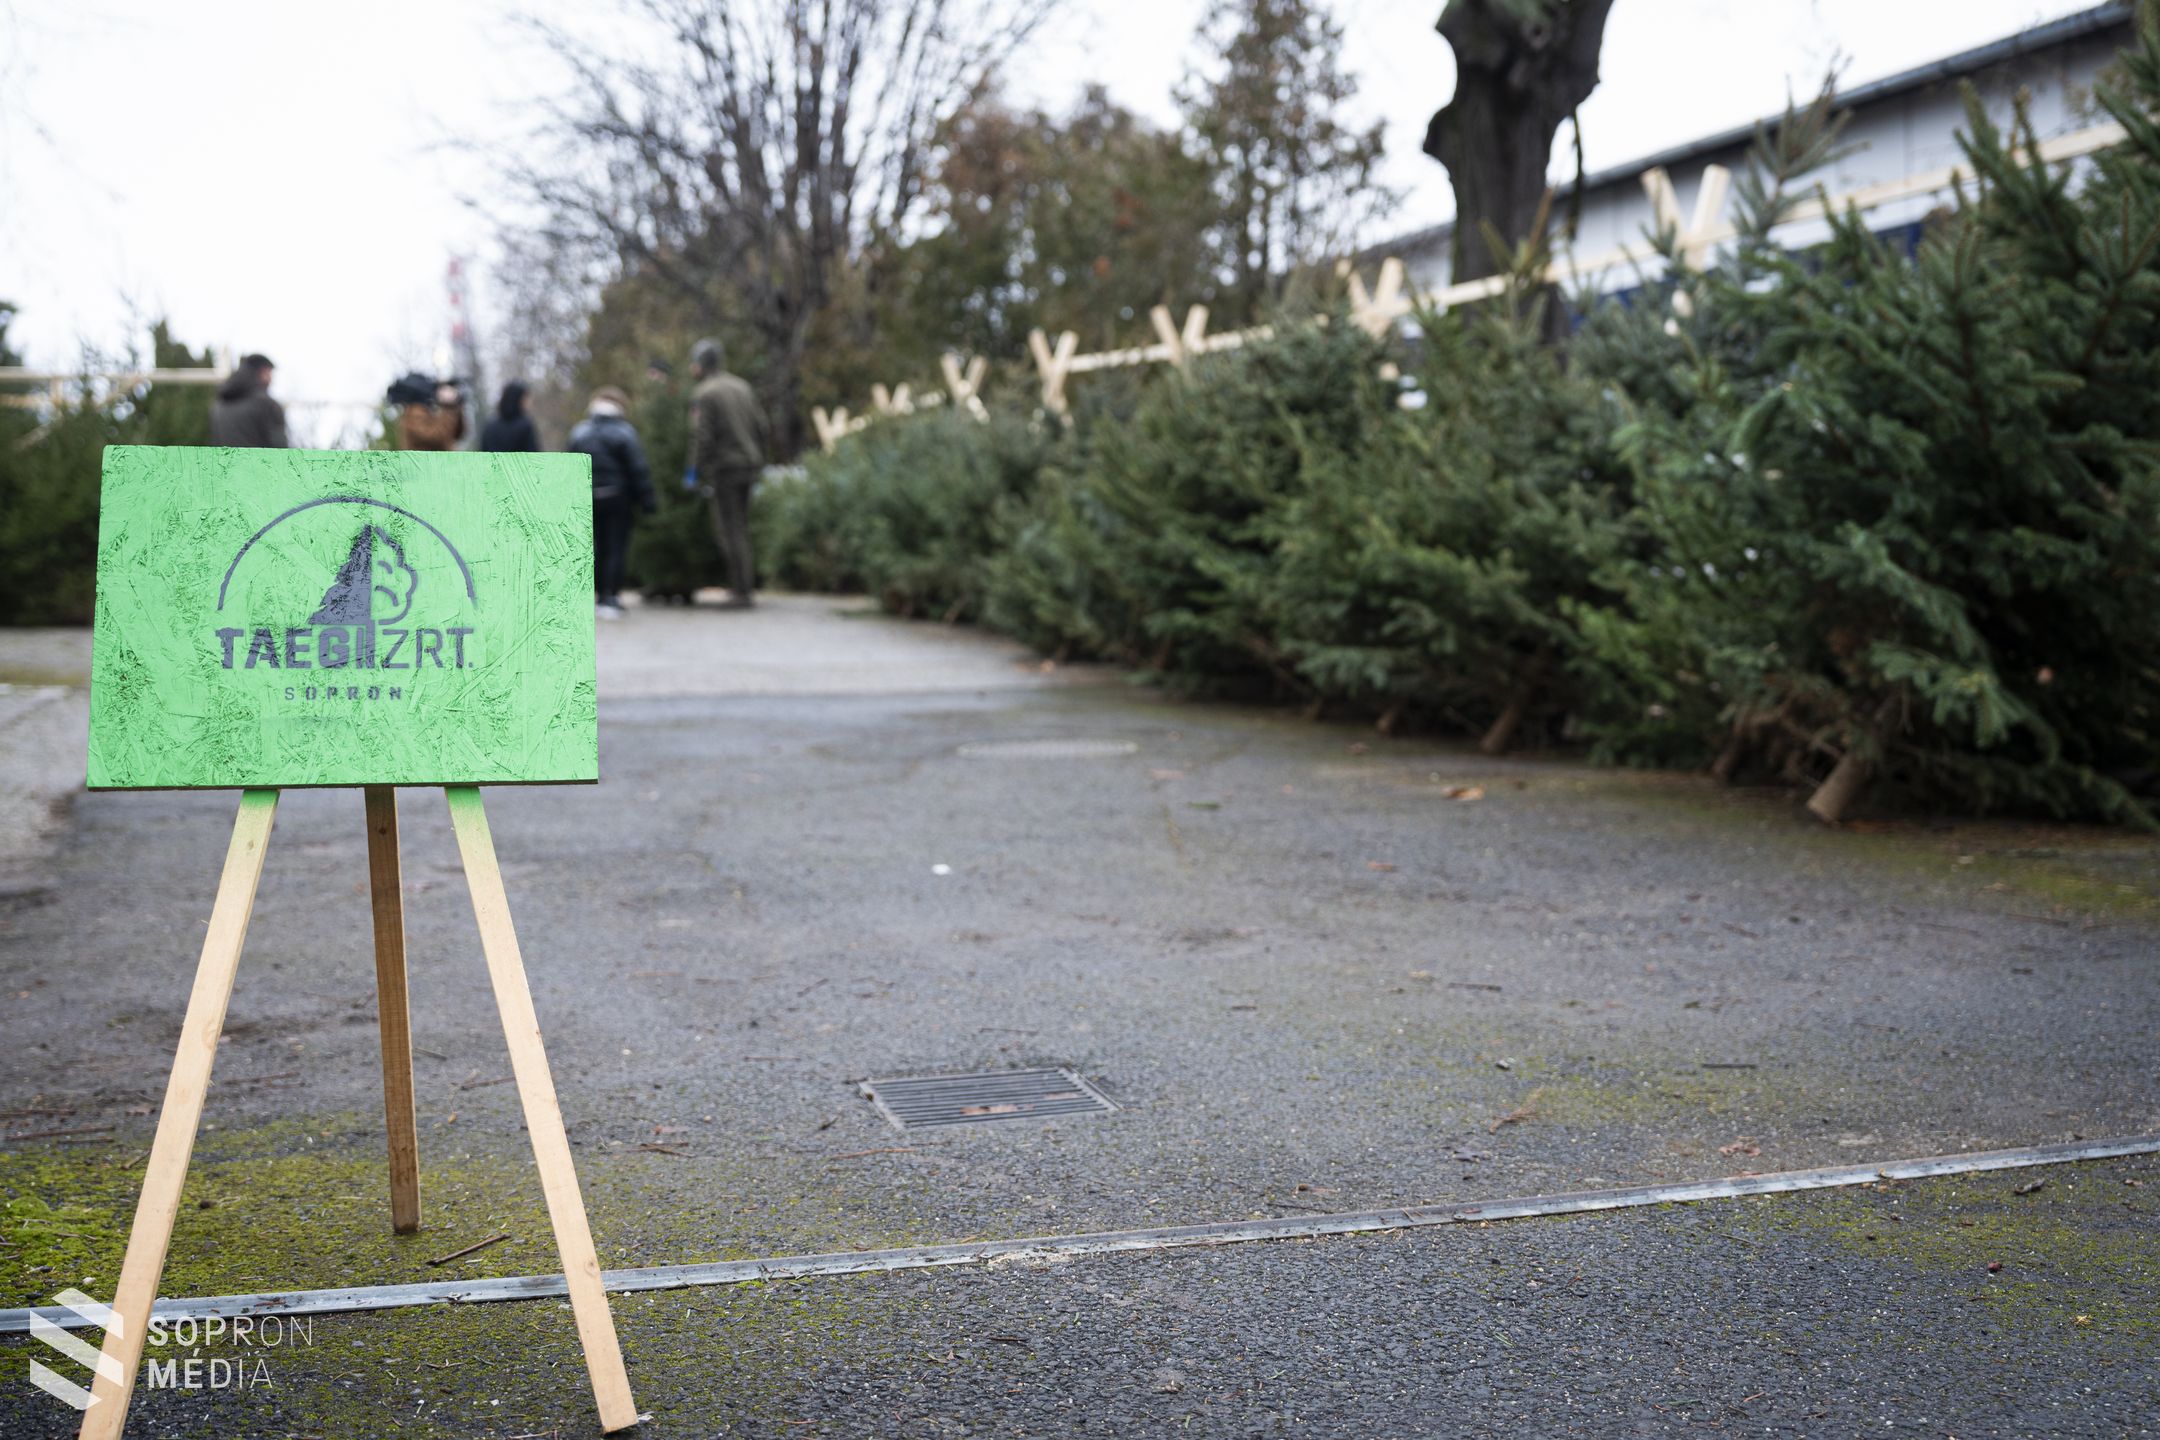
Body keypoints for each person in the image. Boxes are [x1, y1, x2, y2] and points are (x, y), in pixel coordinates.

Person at [687, 337, 768, 609]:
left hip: (726, 467)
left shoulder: (705, 393)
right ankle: (744, 588)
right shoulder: (742, 386)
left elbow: (702, 437)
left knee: (729, 529)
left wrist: (693, 471)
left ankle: (741, 592)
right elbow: (761, 425)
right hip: (749, 464)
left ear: (700, 364)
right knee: (741, 527)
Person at [568, 385, 654, 619]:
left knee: (591, 549)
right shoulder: (625, 432)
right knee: (615, 547)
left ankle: (592, 596)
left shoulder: (580, 432)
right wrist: (647, 500)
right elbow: (638, 469)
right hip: (617, 498)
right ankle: (610, 597)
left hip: (587, 499)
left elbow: (569, 468)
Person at [209, 353, 288, 448]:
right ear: (263, 372)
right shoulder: (267, 405)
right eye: (269, 374)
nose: (271, 380)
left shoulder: (219, 405)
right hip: (259, 462)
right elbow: (280, 450)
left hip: (225, 462)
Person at [394, 376, 467, 451]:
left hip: (437, 461)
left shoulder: (430, 409)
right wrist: (448, 407)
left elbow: (458, 434)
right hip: (423, 461)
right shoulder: (414, 412)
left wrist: (454, 406)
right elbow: (437, 438)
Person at [480, 380, 540, 452]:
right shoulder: (525, 425)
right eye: (525, 399)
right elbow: (533, 456)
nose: (528, 403)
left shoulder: (489, 424)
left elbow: (484, 452)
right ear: (518, 399)